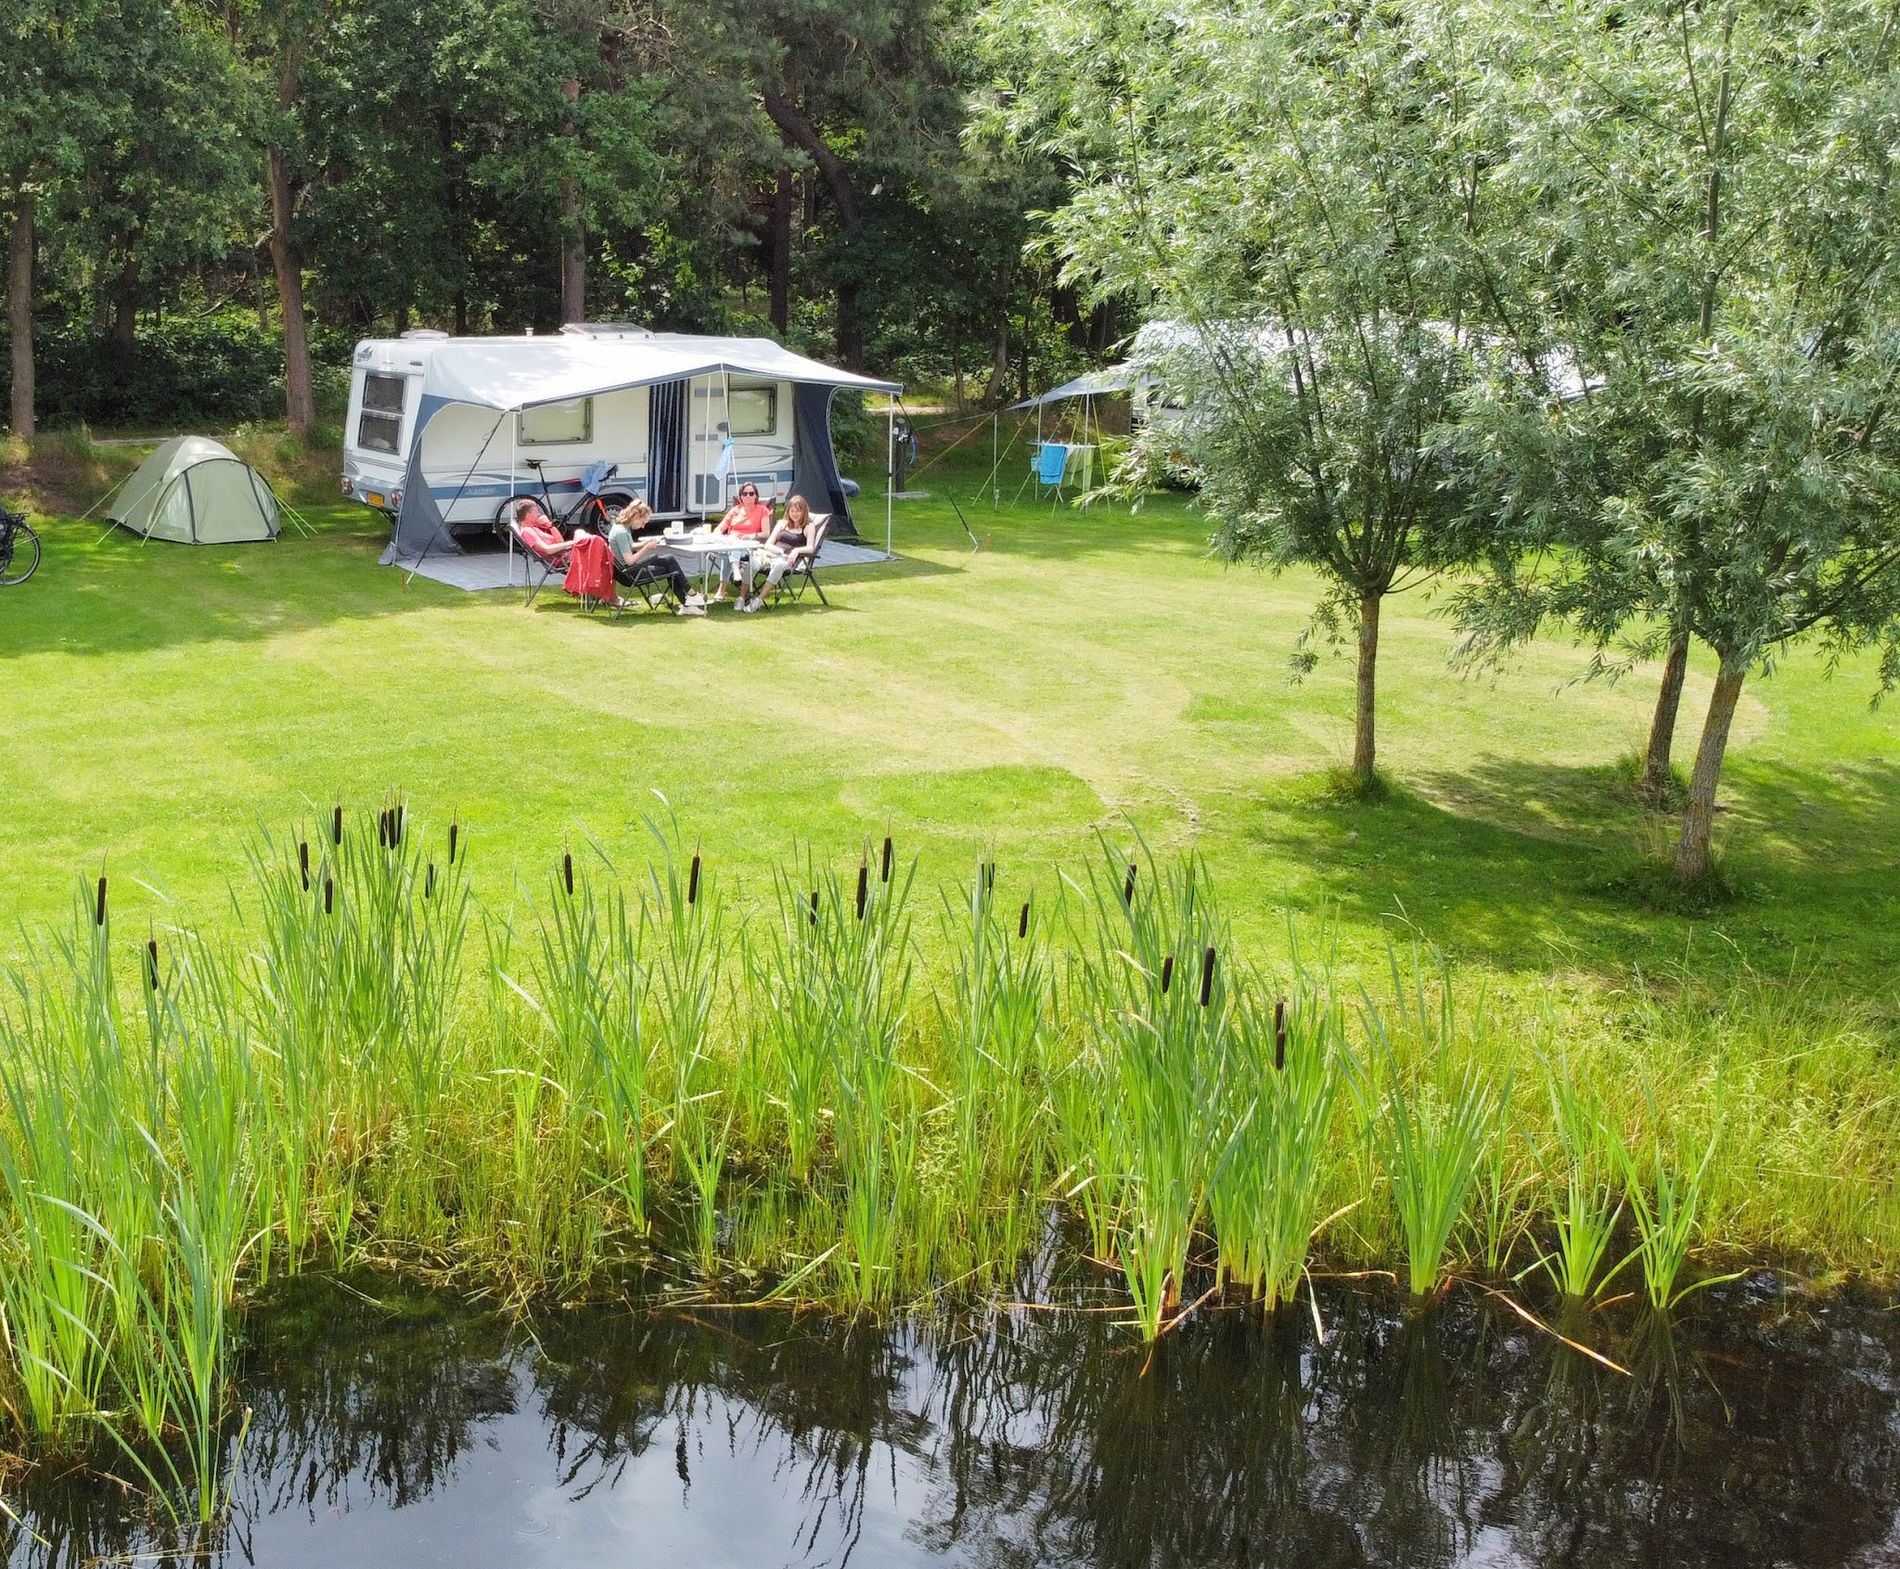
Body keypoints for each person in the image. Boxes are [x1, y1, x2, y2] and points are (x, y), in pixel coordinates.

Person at [608, 500, 706, 616]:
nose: (643, 526)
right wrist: (647, 548)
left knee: (669, 560)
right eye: (643, 523)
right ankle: (690, 598)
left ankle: (689, 599)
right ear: (635, 516)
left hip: (624, 571)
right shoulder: (622, 533)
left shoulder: (619, 527)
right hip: (629, 575)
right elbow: (630, 561)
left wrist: (646, 543)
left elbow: (626, 547)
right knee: (670, 567)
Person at [741, 494, 824, 612]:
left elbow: (810, 548)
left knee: (779, 566)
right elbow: (768, 543)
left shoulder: (808, 526)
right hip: (772, 554)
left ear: (804, 512)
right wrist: (777, 550)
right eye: (792, 511)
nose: (795, 514)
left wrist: (796, 550)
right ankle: (741, 598)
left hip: (787, 559)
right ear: (788, 511)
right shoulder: (782, 523)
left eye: (798, 511)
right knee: (753, 563)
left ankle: (758, 600)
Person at [710, 483, 770, 604]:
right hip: (731, 544)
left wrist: (751, 536)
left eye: (751, 493)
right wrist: (717, 536)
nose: (748, 496)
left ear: (756, 496)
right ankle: (735, 568)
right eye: (745, 494)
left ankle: (722, 589)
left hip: (749, 547)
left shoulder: (762, 510)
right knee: (732, 546)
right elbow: (719, 529)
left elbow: (766, 533)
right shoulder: (735, 511)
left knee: (731, 550)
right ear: (741, 497)